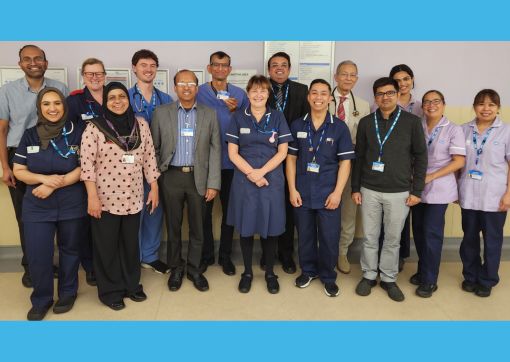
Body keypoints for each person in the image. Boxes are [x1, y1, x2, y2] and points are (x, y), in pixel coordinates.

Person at [80, 82, 160, 310]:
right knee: (107, 246)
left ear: (128, 99)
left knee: (129, 245)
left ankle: (131, 285)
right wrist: (92, 198)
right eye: (112, 97)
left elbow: (149, 158)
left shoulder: (141, 124)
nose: (118, 101)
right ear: (105, 101)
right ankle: (110, 291)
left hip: (134, 198)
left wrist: (154, 188)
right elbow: (87, 166)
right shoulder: (94, 127)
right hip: (104, 199)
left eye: (122, 96)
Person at [12, 88, 85, 320]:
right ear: (39, 108)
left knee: (70, 250)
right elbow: (19, 170)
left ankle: (67, 293)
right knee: (38, 253)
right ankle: (41, 299)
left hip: (71, 200)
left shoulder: (77, 132)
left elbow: (83, 168)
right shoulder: (30, 135)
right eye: (46, 104)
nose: (52, 108)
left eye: (57, 103)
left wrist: (53, 185)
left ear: (64, 106)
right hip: (37, 203)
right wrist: (43, 180)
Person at [352, 77, 427, 302]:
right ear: (375, 97)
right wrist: (356, 188)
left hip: (400, 191)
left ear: (397, 94)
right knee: (370, 237)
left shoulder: (412, 122)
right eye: (381, 94)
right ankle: (369, 274)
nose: (385, 97)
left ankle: (388, 277)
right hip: (369, 189)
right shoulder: (366, 122)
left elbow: (421, 156)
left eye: (390, 93)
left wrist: (417, 190)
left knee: (393, 238)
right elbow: (359, 158)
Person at [0, 44, 68, 288]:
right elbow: (2, 129)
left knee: (59, 214)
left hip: (55, 155)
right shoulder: (7, 91)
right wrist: (5, 167)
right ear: (20, 64)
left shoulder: (60, 89)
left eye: (38, 58)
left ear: (45, 62)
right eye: (27, 59)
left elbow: (66, 126)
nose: (33, 62)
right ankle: (32, 267)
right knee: (26, 217)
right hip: (20, 158)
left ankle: (54, 263)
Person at [151, 70, 221, 293]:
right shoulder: (161, 113)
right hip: (170, 176)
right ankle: (176, 268)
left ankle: (194, 269)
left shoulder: (209, 114)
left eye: (191, 83)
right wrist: (157, 177)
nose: (187, 87)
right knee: (172, 226)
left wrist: (213, 183)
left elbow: (215, 149)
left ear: (197, 87)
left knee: (198, 227)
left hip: (198, 177)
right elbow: (154, 147)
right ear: (175, 87)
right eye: (182, 83)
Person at [226, 74, 293, 294]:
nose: (258, 94)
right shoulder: (237, 117)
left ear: (268, 94)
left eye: (263, 90)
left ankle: (270, 273)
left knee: (271, 226)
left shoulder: (277, 117)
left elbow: (283, 151)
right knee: (246, 227)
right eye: (254, 90)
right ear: (248, 93)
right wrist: (252, 174)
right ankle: (247, 272)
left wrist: (261, 172)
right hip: (244, 180)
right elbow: (233, 153)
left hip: (271, 179)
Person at [287, 79, 354, 297]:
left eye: (323, 93)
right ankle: (308, 271)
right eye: (314, 93)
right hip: (302, 191)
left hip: (328, 193)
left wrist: (337, 193)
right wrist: (292, 189)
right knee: (304, 235)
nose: (318, 97)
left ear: (330, 98)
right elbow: (290, 160)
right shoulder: (297, 125)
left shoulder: (339, 127)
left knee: (328, 237)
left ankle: (328, 276)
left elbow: (345, 163)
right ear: (308, 97)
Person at [197, 51, 249, 276]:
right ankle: (206, 254)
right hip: (206, 163)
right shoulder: (199, 92)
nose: (220, 69)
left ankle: (225, 256)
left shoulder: (239, 94)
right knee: (203, 213)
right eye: (215, 65)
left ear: (230, 69)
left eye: (224, 65)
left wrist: (236, 111)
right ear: (209, 68)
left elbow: (249, 124)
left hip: (231, 163)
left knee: (229, 212)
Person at [411, 90, 466, 298]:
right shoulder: (417, 125)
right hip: (417, 187)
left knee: (432, 235)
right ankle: (422, 270)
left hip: (440, 188)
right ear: (422, 105)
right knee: (418, 231)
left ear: (443, 104)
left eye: (436, 101)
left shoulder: (453, 129)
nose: (431, 105)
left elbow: (459, 161)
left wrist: (431, 176)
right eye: (427, 102)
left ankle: (429, 280)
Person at [458, 89, 510, 298]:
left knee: (492, 240)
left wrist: (508, 194)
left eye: (491, 105)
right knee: (469, 238)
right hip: (469, 194)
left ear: (498, 108)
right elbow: (457, 162)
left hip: (494, 196)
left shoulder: (506, 131)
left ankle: (487, 279)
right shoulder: (463, 130)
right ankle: (470, 276)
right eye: (481, 104)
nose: (485, 109)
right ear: (474, 106)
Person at [128, 49, 173, 275]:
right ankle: (131, 258)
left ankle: (150, 256)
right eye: (143, 65)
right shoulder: (123, 98)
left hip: (159, 167)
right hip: (131, 169)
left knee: (155, 211)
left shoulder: (165, 99)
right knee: (134, 214)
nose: (148, 69)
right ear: (134, 68)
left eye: (152, 65)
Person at [266, 51, 310, 274]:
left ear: (290, 69)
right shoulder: (261, 89)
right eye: (275, 65)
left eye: (284, 65)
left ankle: (286, 254)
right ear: (269, 70)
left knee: (290, 208)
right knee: (269, 207)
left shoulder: (302, 91)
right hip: (266, 158)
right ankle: (267, 253)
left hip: (294, 156)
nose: (279, 69)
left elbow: (307, 122)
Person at [66, 57, 107, 286]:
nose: (94, 77)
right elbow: (68, 136)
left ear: (105, 75)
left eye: (98, 73)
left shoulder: (115, 96)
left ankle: (106, 262)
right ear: (83, 75)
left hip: (112, 170)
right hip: (85, 169)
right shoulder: (74, 101)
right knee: (87, 220)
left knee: (106, 221)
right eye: (90, 73)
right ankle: (90, 266)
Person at [328, 60, 370, 274]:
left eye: (352, 75)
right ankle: (324, 250)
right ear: (336, 76)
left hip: (350, 164)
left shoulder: (363, 106)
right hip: (324, 164)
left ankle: (342, 252)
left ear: (356, 79)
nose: (348, 78)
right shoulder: (322, 98)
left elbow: (364, 139)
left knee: (348, 210)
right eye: (344, 74)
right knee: (323, 206)